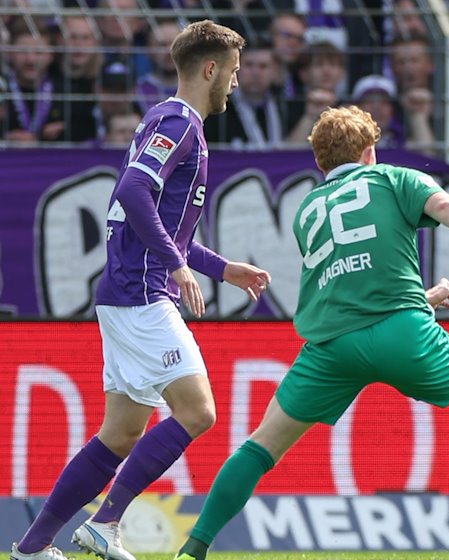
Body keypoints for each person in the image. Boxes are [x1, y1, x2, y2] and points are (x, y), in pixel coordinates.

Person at [171, 105, 449, 560]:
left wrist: (422, 297)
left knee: (260, 446)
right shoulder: (389, 178)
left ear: (320, 163)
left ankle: (193, 549)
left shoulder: (307, 210)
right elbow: (445, 206)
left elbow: (352, 290)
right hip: (399, 334)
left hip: (330, 348)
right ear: (370, 150)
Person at [11, 20, 272, 560]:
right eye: (234, 72)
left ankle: (33, 547)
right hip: (142, 293)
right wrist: (176, 265)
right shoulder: (178, 123)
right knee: (199, 412)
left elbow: (153, 220)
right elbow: (132, 191)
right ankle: (105, 523)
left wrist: (222, 269)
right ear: (210, 69)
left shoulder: (168, 123)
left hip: (128, 291)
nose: (236, 83)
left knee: (120, 435)